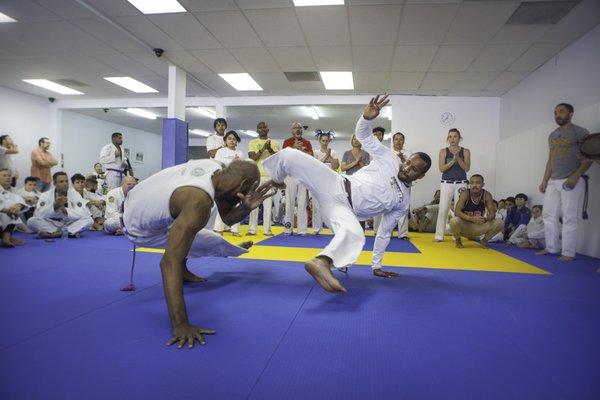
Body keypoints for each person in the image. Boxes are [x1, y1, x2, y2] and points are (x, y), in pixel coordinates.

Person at [263, 95, 432, 290]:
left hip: (342, 210)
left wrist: (377, 265)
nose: (407, 167)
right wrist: (366, 119)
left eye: (414, 169)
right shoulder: (391, 158)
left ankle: (321, 261)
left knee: (356, 234)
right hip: (336, 183)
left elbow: (384, 232)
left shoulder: (403, 202)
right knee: (290, 155)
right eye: (409, 162)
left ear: (420, 177)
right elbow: (365, 136)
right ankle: (276, 180)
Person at [121, 158, 276, 348]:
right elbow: (167, 263)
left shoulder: (217, 170)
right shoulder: (198, 201)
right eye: (248, 190)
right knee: (197, 232)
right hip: (135, 227)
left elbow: (227, 218)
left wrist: (244, 207)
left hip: (135, 197)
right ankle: (191, 268)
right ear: (243, 185)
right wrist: (181, 324)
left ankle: (186, 267)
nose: (246, 194)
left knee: (206, 235)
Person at [538, 103, 592, 261]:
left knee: (569, 216)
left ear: (571, 113)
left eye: (561, 111)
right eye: (555, 112)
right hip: (554, 180)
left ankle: (568, 252)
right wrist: (544, 180)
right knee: (548, 214)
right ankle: (552, 247)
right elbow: (551, 159)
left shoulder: (580, 132)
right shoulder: (553, 135)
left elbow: (590, 156)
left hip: (572, 178)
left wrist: (577, 175)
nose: (557, 115)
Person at [27, 172, 93, 239]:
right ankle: (66, 232)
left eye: (66, 181)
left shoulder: (75, 194)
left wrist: (65, 210)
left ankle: (56, 234)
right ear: (55, 183)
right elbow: (39, 213)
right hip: (52, 223)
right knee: (31, 221)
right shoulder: (45, 195)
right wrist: (55, 206)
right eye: (61, 182)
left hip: (69, 223)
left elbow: (81, 213)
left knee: (89, 220)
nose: (65, 184)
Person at [434, 128, 470, 242]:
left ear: (459, 138)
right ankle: (439, 236)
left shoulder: (465, 151)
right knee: (443, 208)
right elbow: (441, 168)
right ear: (448, 138)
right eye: (450, 137)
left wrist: (458, 158)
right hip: (447, 183)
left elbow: (466, 168)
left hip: (461, 183)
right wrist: (452, 161)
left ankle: (457, 236)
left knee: (459, 210)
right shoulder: (443, 151)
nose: (452, 139)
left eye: (455, 136)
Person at [449, 174, 503, 248]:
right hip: (465, 226)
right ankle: (458, 240)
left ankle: (483, 241)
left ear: (482, 184)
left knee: (500, 222)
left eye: (477, 183)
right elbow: (457, 212)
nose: (474, 185)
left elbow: (492, 214)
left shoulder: (487, 195)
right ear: (469, 184)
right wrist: (471, 218)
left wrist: (486, 219)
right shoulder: (465, 193)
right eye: (472, 183)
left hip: (479, 226)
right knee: (453, 221)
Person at [248, 121, 280, 236]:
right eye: (260, 127)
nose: (262, 129)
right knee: (254, 204)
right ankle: (252, 229)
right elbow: (252, 158)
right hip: (256, 176)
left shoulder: (275, 143)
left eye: (264, 127)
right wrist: (262, 150)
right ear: (257, 130)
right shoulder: (253, 142)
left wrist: (270, 149)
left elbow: (277, 159)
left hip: (269, 177)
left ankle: (267, 230)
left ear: (268, 129)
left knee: (267, 204)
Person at [281, 122, 313, 235]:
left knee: (302, 203)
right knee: (289, 202)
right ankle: (288, 229)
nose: (298, 129)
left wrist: (302, 150)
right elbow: (283, 157)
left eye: (300, 128)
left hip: (302, 175)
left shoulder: (307, 143)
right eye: (295, 128)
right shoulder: (287, 142)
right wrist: (294, 148)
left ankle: (302, 230)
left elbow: (311, 158)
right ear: (292, 130)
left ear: (302, 130)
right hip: (290, 176)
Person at [214, 131, 245, 236]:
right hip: (223, 181)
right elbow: (217, 166)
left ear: (236, 141)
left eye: (234, 139)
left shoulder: (240, 153)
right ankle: (219, 229)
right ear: (225, 141)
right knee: (222, 205)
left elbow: (241, 168)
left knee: (236, 206)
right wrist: (231, 163)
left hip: (236, 182)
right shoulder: (221, 152)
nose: (232, 140)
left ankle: (235, 230)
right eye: (229, 138)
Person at [311, 130, 340, 234]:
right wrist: (325, 156)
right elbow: (315, 166)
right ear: (320, 141)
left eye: (327, 141)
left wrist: (330, 156)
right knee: (316, 207)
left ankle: (334, 228)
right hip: (317, 182)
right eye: (323, 140)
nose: (325, 142)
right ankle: (317, 229)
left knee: (331, 206)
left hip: (330, 182)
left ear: (329, 141)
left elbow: (336, 166)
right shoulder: (315, 152)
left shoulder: (334, 152)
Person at [0, 168, 27, 247]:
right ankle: (7, 238)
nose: (8, 177)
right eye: (4, 175)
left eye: (9, 176)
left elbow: (21, 201)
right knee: (11, 207)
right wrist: (6, 210)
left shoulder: (14, 190)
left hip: (6, 217)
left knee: (14, 211)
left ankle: (6, 238)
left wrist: (18, 206)